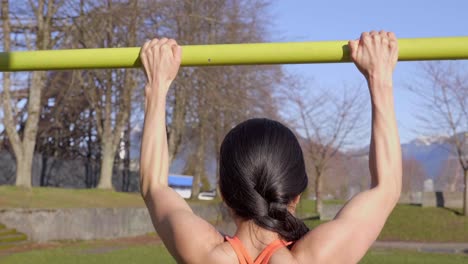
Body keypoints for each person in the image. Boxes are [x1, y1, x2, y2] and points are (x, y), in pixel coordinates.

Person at [139, 31, 402, 264]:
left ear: (224, 192)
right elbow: (386, 187)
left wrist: (157, 85)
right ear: (296, 195)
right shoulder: (317, 257)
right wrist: (379, 78)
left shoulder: (204, 255)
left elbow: (154, 186)